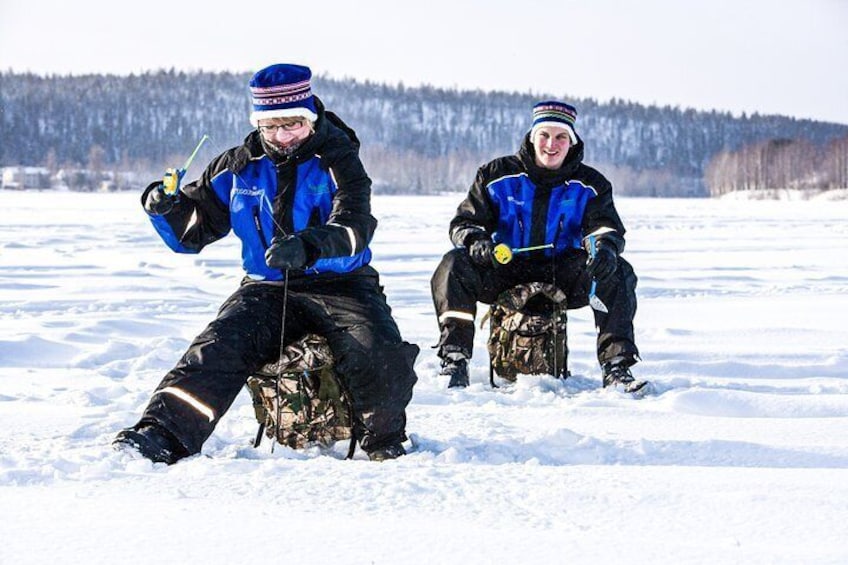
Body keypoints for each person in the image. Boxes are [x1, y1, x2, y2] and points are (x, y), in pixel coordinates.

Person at [114, 63, 418, 464]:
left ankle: (383, 441)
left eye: (291, 125)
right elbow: (195, 231)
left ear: (310, 117)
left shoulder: (340, 158)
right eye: (270, 127)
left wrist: (309, 246)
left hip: (343, 284)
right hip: (266, 286)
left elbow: (356, 225)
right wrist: (167, 208)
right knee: (217, 347)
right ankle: (162, 434)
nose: (281, 136)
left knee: (377, 350)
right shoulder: (237, 165)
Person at [430, 100, 643, 391]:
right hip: (504, 269)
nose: (551, 144)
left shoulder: (592, 184)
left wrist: (604, 248)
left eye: (561, 137)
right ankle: (454, 359)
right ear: (532, 137)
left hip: (564, 272)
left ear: (572, 141)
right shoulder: (495, 175)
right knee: (453, 264)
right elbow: (464, 224)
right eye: (544, 135)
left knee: (617, 271)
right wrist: (477, 243)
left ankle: (617, 367)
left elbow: (604, 228)